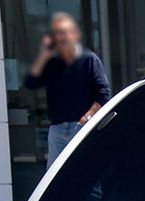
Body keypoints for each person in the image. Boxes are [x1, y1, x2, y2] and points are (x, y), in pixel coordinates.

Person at [24, 12, 112, 169]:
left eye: (64, 33)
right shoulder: (52, 63)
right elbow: (30, 83)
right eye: (57, 34)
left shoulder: (89, 60)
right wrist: (43, 55)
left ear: (75, 35)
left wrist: (86, 118)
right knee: (55, 180)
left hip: (82, 127)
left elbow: (104, 94)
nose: (61, 38)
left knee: (87, 176)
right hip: (57, 130)